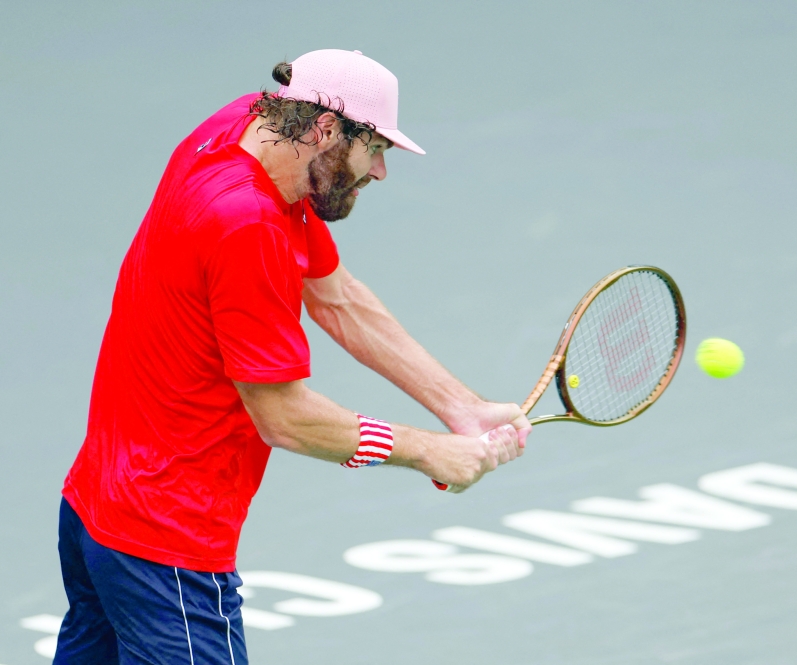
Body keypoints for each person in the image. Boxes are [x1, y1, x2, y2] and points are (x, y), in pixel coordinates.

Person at [53, 49, 531, 665]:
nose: (381, 171)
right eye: (374, 148)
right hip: (164, 547)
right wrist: (427, 450)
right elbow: (284, 418)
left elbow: (337, 298)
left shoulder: (247, 131)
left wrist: (461, 408)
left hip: (96, 506)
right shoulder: (247, 224)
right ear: (326, 129)